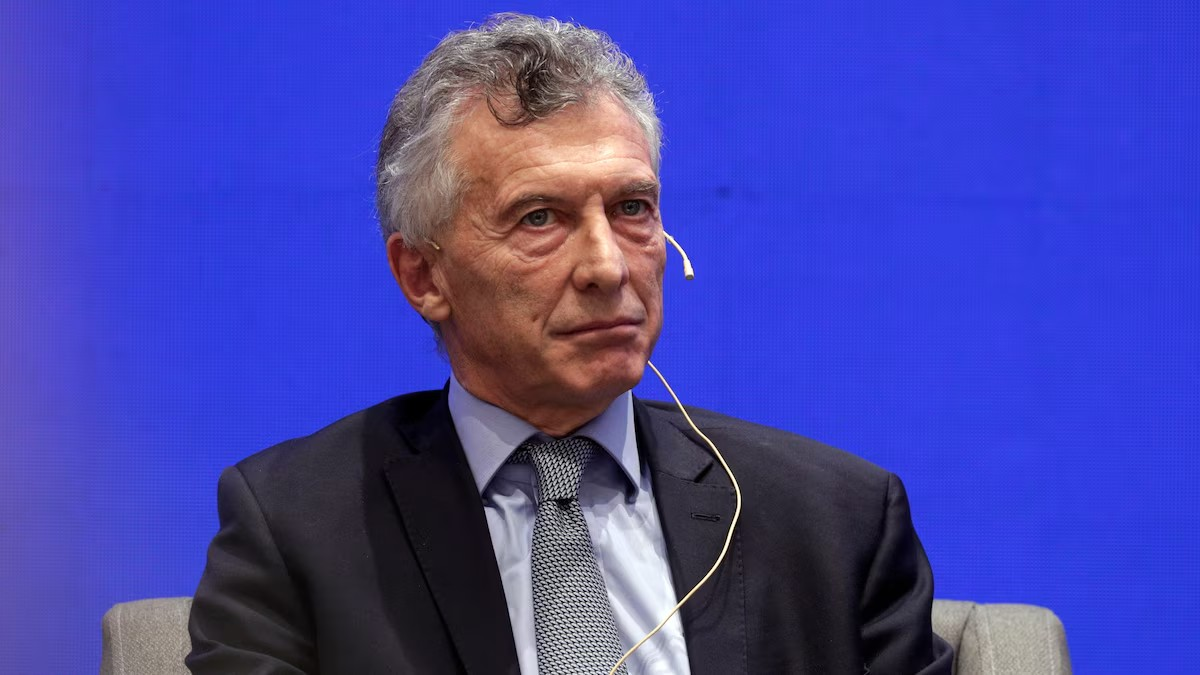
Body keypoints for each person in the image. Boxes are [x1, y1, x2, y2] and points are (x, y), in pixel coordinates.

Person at [187, 13, 953, 675]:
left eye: (632, 207)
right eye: (539, 218)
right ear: (422, 275)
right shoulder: (295, 527)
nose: (607, 266)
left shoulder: (835, 523)